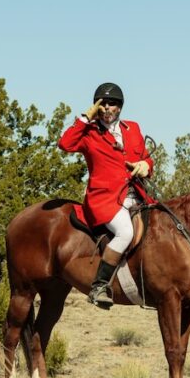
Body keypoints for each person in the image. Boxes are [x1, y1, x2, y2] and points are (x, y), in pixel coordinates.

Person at [58, 82, 155, 308]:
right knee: (125, 231)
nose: (107, 108)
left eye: (112, 104)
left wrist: (145, 165)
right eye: (103, 103)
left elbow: (147, 158)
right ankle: (100, 286)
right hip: (104, 200)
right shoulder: (88, 132)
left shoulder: (133, 129)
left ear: (119, 107)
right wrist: (84, 118)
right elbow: (65, 144)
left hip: (137, 196)